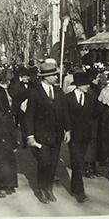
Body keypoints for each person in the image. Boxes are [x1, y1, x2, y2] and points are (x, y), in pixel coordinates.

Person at [24, 61, 72, 204]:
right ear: (46, 77)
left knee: (53, 163)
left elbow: (65, 112)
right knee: (44, 163)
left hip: (56, 136)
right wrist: (30, 136)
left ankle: (49, 188)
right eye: (54, 75)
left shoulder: (58, 91)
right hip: (41, 137)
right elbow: (29, 116)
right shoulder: (34, 92)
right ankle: (41, 189)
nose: (57, 78)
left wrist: (68, 130)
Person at [64, 72, 97, 203]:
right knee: (76, 161)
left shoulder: (90, 98)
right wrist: (67, 131)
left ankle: (74, 187)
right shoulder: (68, 98)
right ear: (78, 85)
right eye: (85, 84)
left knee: (79, 161)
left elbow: (93, 115)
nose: (88, 86)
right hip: (73, 134)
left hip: (86, 135)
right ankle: (80, 191)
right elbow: (65, 116)